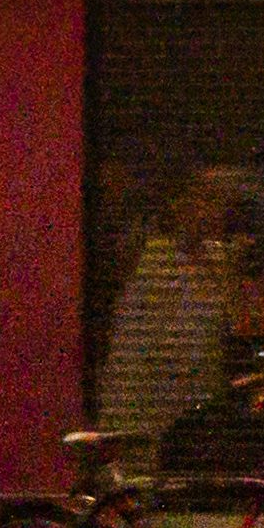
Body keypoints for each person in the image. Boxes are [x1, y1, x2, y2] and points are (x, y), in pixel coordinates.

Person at [97, 168, 250, 443]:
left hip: (196, 404)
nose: (212, 212)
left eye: (219, 203)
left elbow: (228, 325)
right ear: (178, 205)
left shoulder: (220, 261)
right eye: (205, 200)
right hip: (145, 399)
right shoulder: (149, 254)